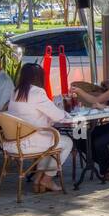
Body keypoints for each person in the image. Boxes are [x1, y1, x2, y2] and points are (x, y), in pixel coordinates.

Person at [5, 62, 73, 193]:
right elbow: (58, 116)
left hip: (14, 142)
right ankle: (47, 179)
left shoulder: (15, 92)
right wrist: (67, 113)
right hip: (30, 142)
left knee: (51, 141)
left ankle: (37, 178)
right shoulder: (37, 92)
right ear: (38, 77)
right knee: (66, 142)